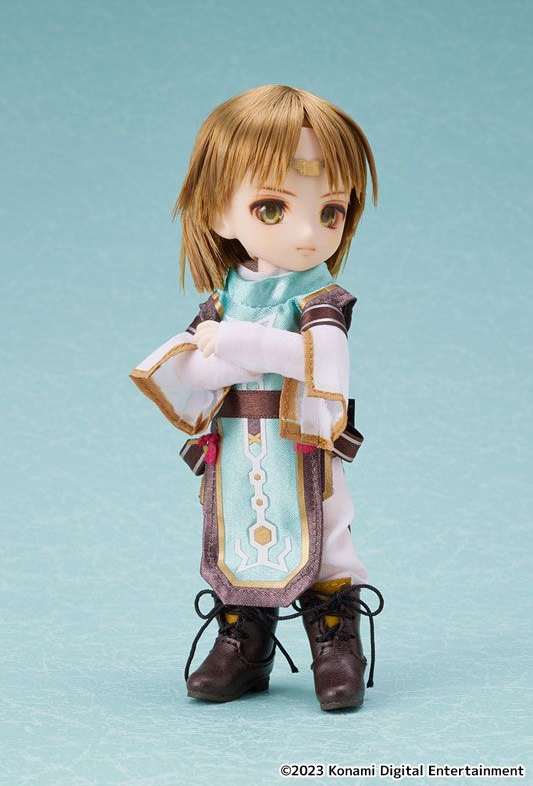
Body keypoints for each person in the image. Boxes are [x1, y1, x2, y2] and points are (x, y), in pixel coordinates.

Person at [130, 84, 384, 711]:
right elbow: (195, 372)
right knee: (236, 534)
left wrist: (238, 343)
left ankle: (336, 640)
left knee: (327, 536)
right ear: (219, 212)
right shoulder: (222, 300)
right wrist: (215, 355)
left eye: (330, 212)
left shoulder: (319, 297)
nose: (307, 233)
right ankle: (244, 639)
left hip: (304, 445)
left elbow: (325, 363)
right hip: (236, 450)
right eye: (273, 208)